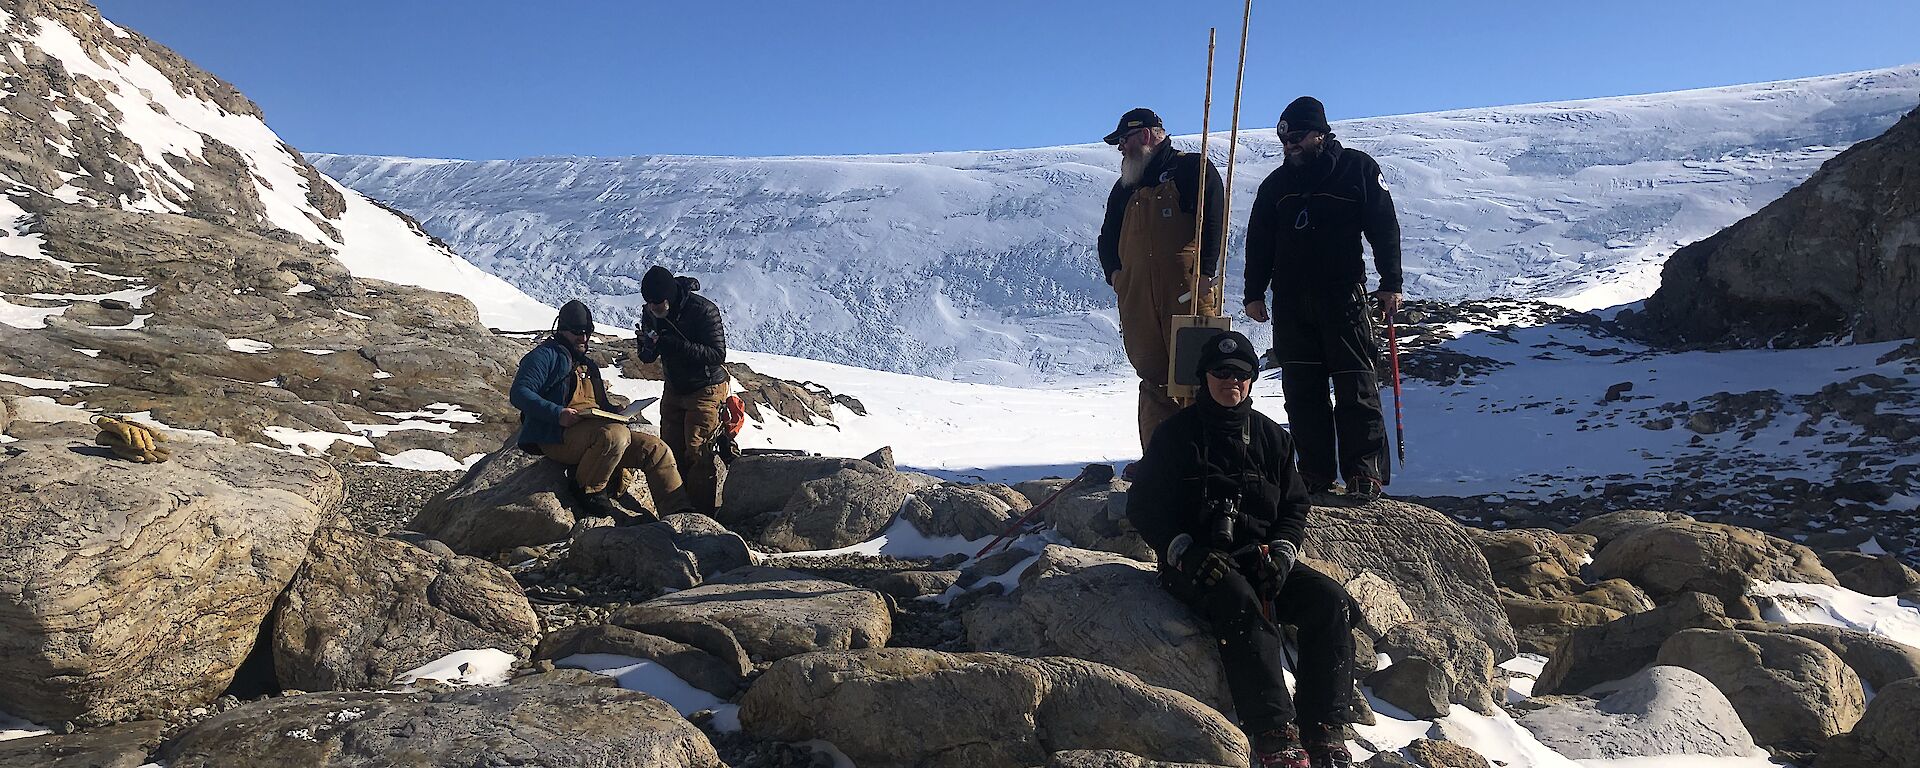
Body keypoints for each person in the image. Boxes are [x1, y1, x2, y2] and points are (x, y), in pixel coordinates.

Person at [1127, 330, 1358, 768]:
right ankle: (1274, 734)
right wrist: (1184, 551)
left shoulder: (1272, 438)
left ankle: (1324, 729)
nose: (1230, 380)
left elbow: (1294, 505)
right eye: (1220, 372)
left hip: (1259, 557)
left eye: (1241, 373)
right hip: (1196, 562)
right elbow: (1143, 506)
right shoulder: (1176, 436)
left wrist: (1284, 555)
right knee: (1238, 600)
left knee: (1330, 603)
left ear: (1252, 379)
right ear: (1204, 378)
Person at [1242, 96, 1403, 501]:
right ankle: (1313, 472)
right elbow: (1259, 241)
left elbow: (1383, 225)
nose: (1290, 145)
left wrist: (1391, 282)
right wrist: (1253, 292)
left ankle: (1363, 472)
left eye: (1297, 136)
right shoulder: (1276, 185)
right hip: (1291, 302)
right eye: (1284, 138)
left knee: (1355, 384)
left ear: (1320, 133)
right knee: (1302, 390)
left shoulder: (1357, 169)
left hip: (1342, 295)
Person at [1096, 107, 1227, 455]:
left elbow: (1214, 219)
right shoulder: (1124, 188)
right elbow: (1107, 238)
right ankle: (1159, 461)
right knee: (1154, 378)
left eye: (1124, 140)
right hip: (1139, 298)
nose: (1121, 148)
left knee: (1198, 374)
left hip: (1187, 291)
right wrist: (1117, 277)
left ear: (1146, 134)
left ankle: (1206, 457)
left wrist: (1205, 272)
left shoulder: (1190, 169)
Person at [510, 299, 692, 521]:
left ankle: (679, 515)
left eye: (587, 331)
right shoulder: (545, 356)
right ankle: (589, 490)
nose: (583, 338)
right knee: (616, 435)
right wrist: (558, 413)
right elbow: (519, 392)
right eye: (577, 332)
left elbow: (600, 405)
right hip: (557, 436)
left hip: (594, 436)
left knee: (655, 449)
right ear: (562, 330)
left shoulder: (588, 365)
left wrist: (617, 411)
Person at [636, 266, 730, 514]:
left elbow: (717, 354)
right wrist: (647, 346)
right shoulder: (651, 311)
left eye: (657, 303)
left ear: (670, 297)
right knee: (669, 452)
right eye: (649, 304)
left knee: (698, 452)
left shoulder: (703, 311)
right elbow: (647, 356)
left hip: (706, 388)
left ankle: (700, 520)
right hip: (674, 387)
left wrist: (673, 344)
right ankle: (672, 514)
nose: (653, 308)